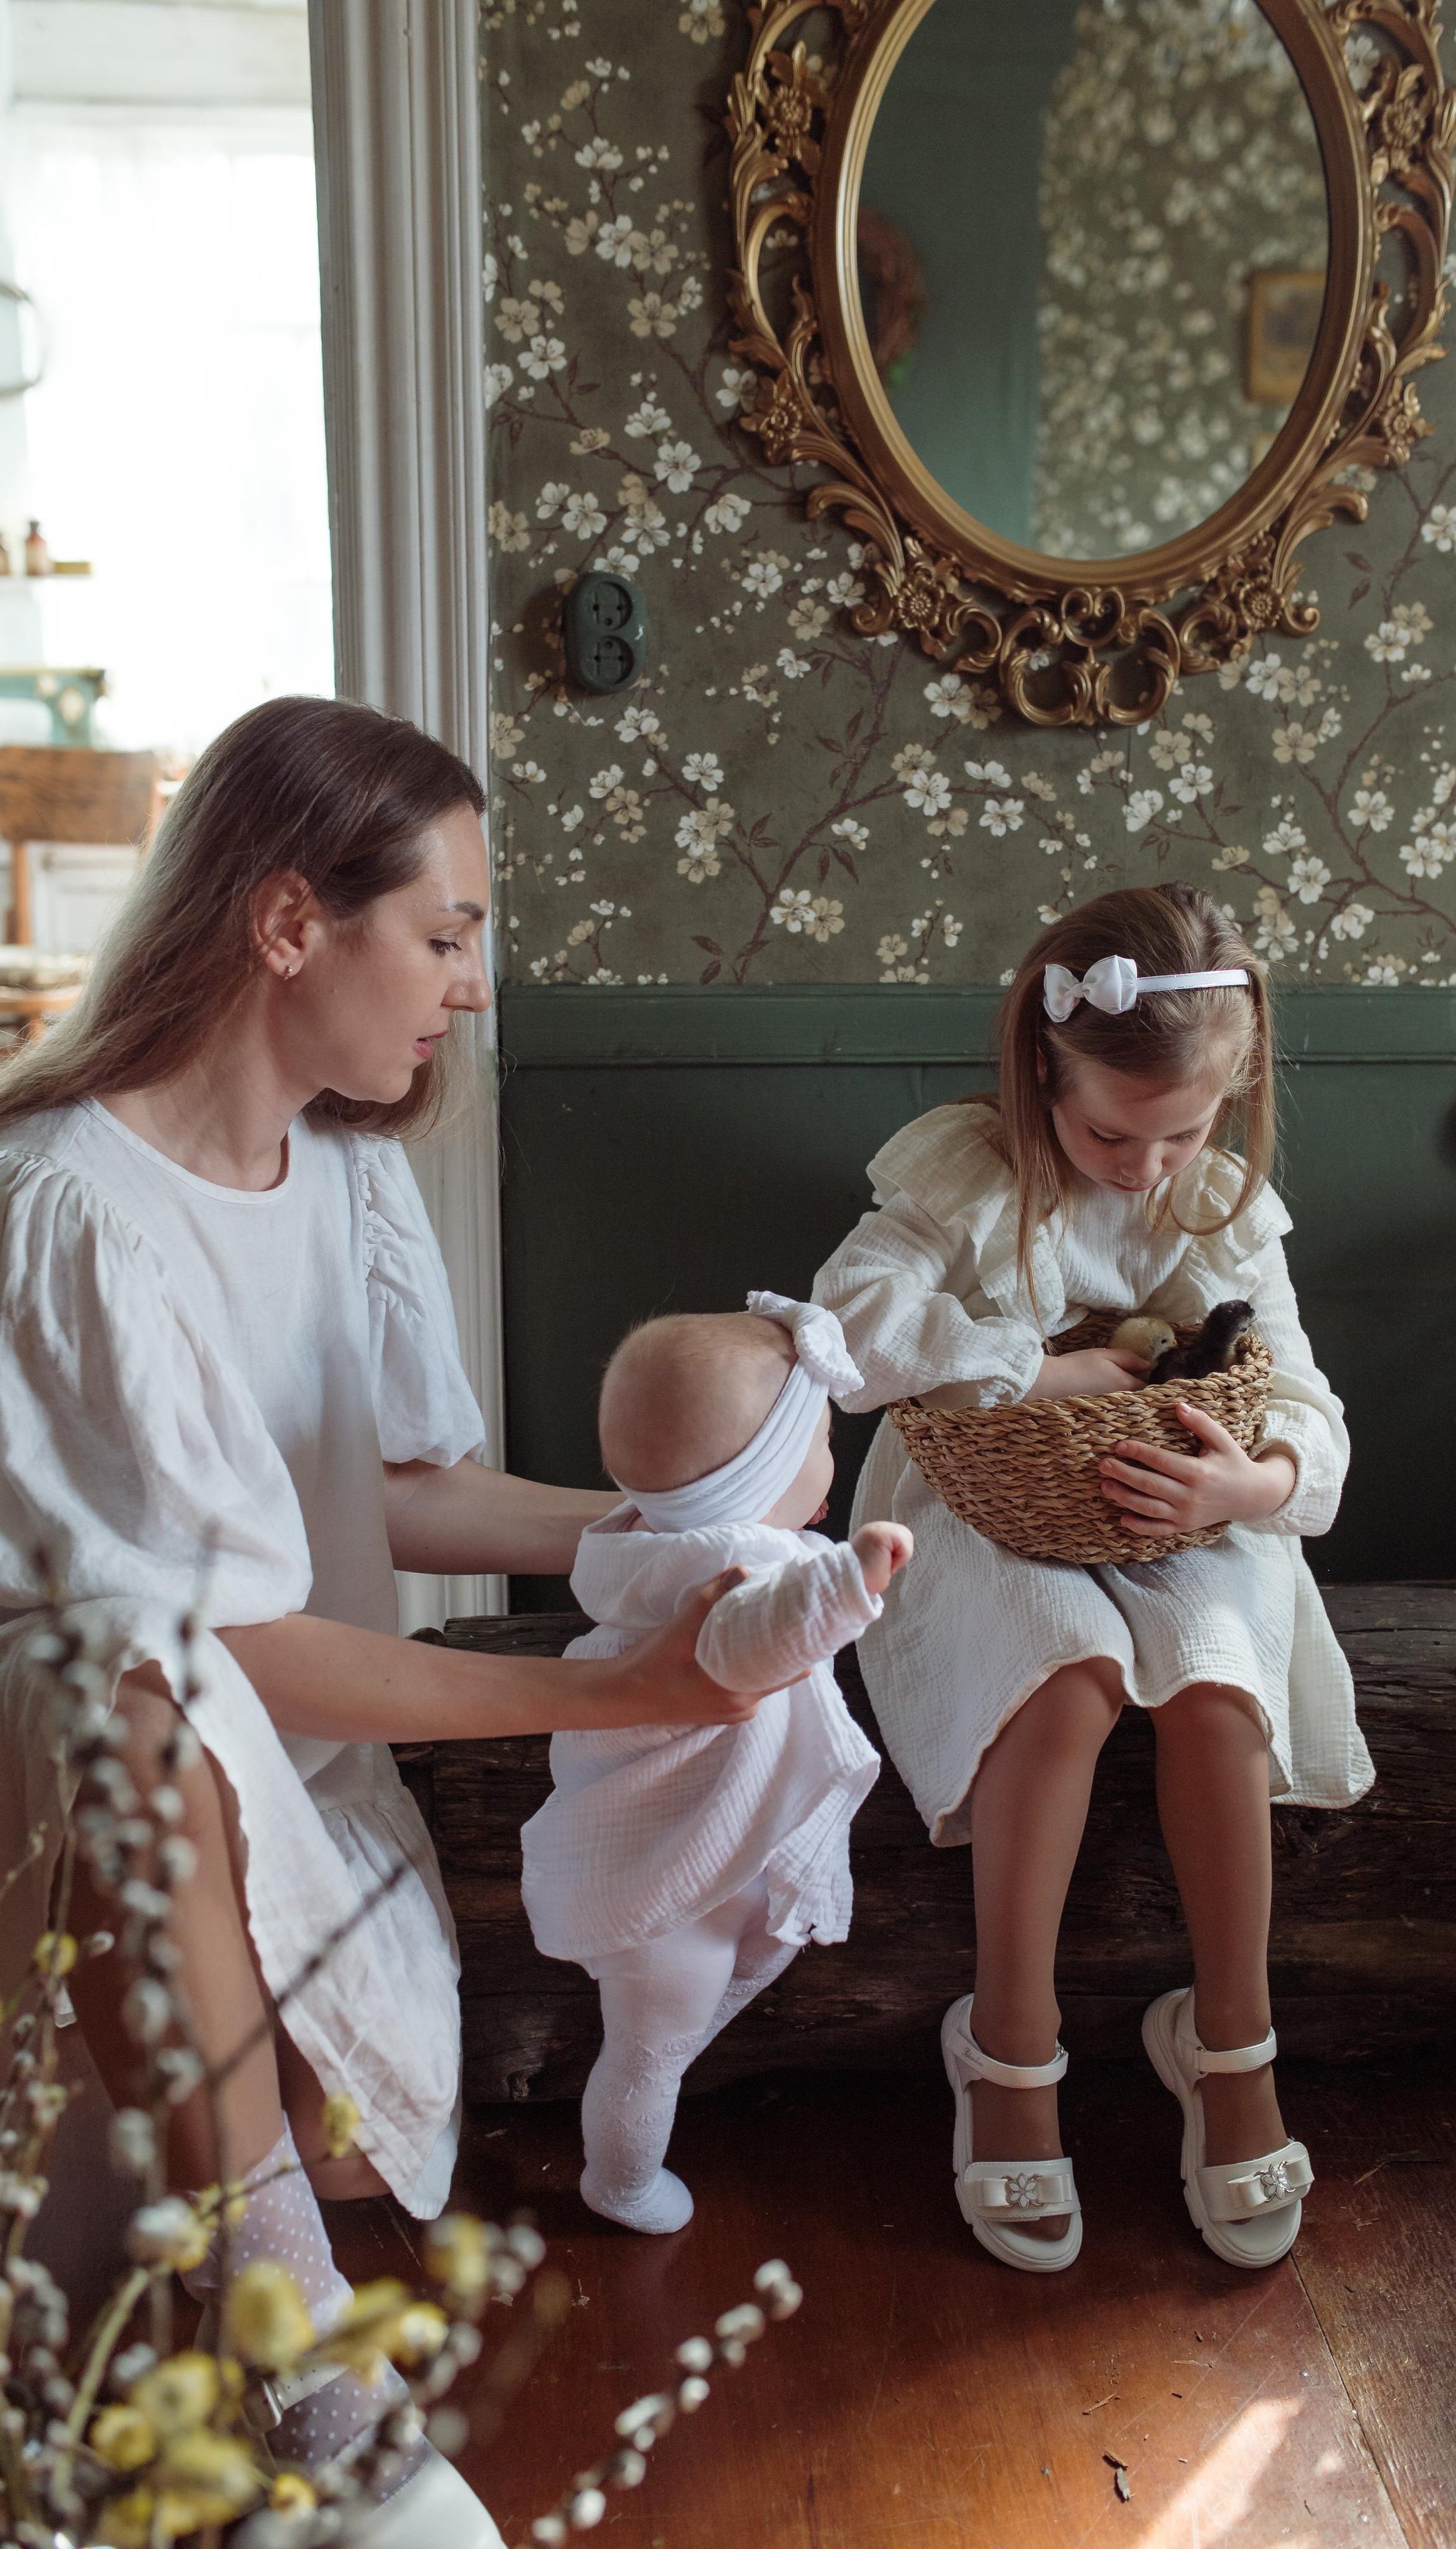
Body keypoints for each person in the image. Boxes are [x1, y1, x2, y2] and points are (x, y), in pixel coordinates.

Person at [0, 696, 765, 2545]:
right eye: (444, 935)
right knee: (142, 1682)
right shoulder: (64, 1210)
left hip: (285, 1779)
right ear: (287, 925)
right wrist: (615, 1689)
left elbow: (402, 1488)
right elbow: (217, 1648)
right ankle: (318, 2392)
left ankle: (241, 2360)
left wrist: (674, 1538)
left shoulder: (347, 1179)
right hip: (96, 1802)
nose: (469, 990)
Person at [812, 884, 1371, 2276]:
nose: (1143, 1166)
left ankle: (1226, 2041)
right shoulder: (972, 1168)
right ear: (1043, 1070)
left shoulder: (1214, 1204)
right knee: (1061, 1676)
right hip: (976, 1495)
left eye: (1181, 1132)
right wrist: (1028, 1365)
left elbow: (1301, 1397)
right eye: (1110, 1131)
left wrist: (1250, 1487)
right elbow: (846, 1329)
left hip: (1177, 1501)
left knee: (1218, 1691)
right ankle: (1006, 2045)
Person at [521, 1294, 906, 2234]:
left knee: (728, 1980)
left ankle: (671, 2060)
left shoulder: (651, 1546)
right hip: (668, 1888)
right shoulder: (731, 1578)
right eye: (817, 1439)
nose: (831, 1457)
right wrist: (845, 1584)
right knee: (648, 2050)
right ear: (767, 1477)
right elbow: (748, 1644)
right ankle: (619, 2180)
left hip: (702, 1846)